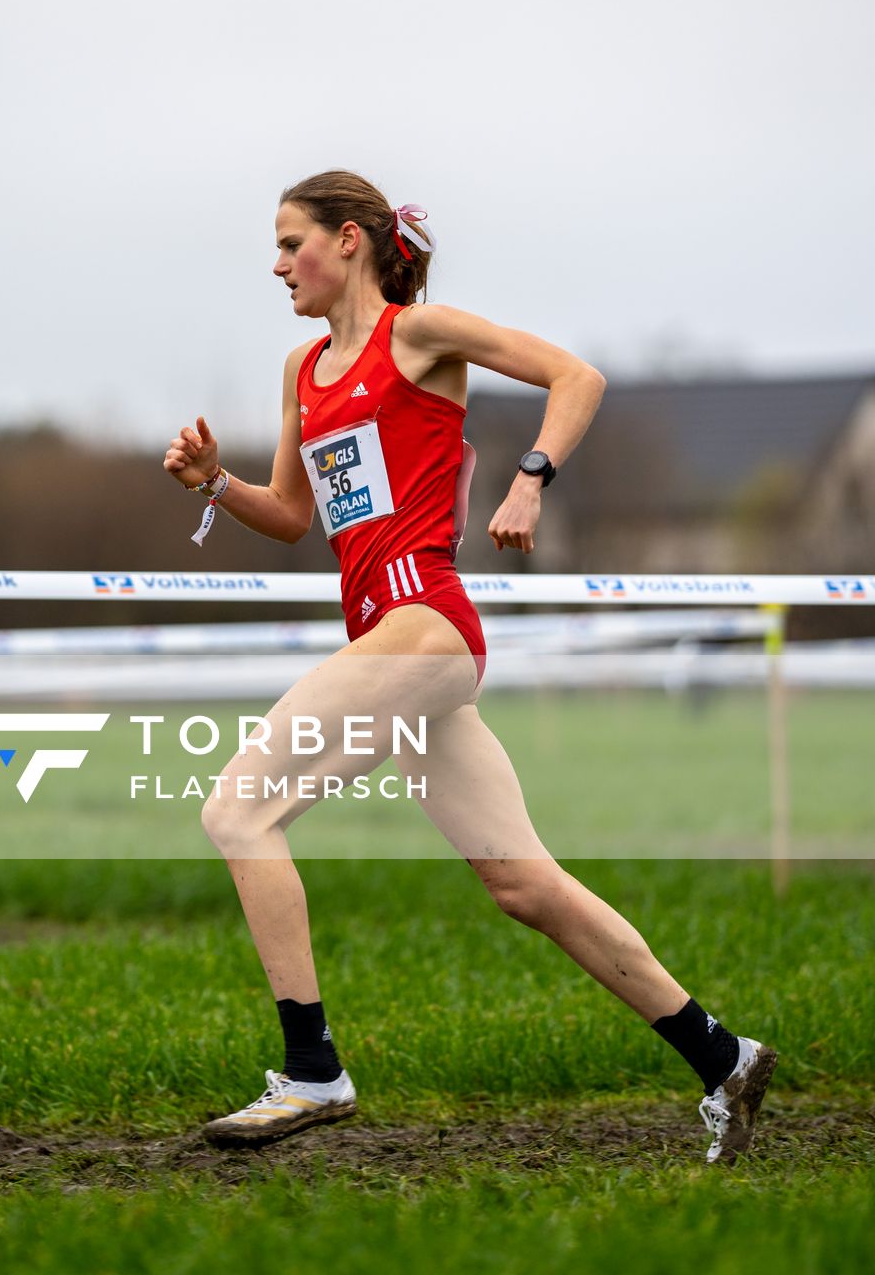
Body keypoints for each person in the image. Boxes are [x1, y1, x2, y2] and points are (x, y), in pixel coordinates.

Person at [162, 169, 777, 1164]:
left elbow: (575, 377)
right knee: (520, 884)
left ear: (351, 240)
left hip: (423, 624)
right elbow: (290, 518)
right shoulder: (300, 371)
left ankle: (311, 1070)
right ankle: (723, 1057)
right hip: (387, 641)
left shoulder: (421, 333)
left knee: (237, 810)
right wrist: (215, 483)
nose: (277, 267)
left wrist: (530, 482)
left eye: (290, 244)